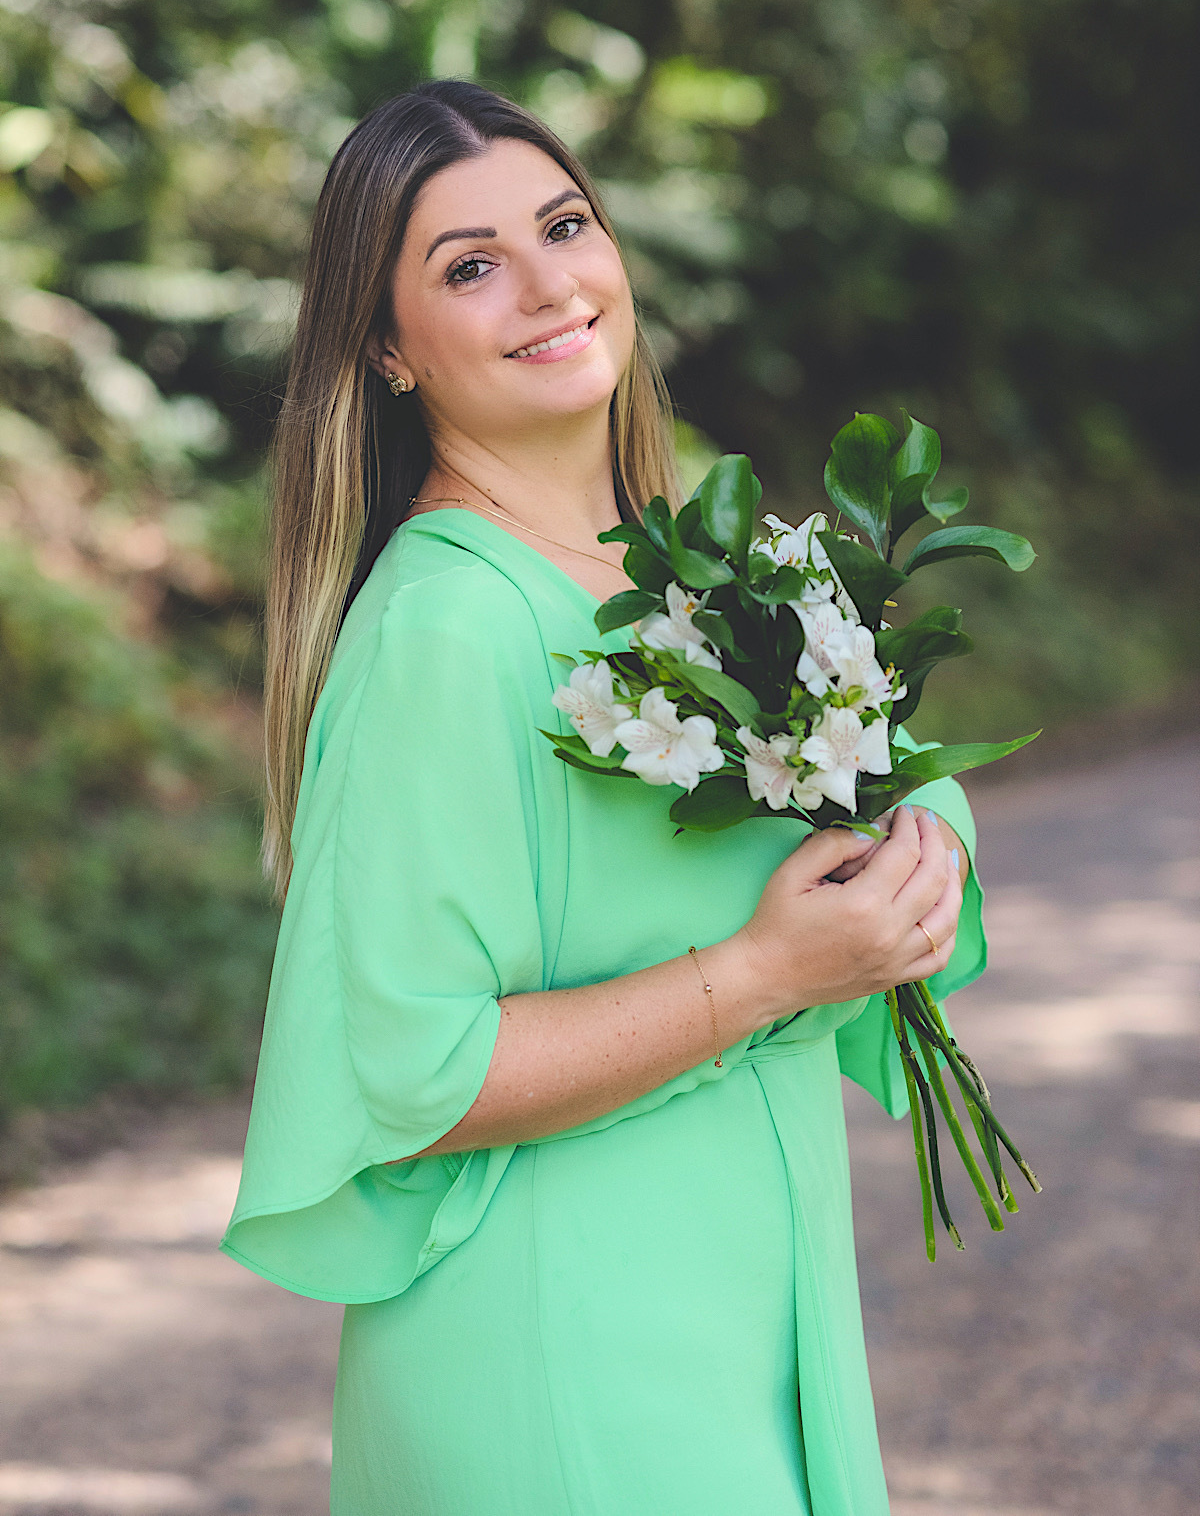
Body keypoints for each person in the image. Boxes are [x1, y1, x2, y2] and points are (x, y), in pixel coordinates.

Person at [221, 80, 984, 1516]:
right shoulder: (444, 628)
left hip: (745, 1291)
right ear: (387, 348)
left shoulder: (709, 575)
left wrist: (913, 861)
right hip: (560, 1339)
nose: (547, 282)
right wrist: (757, 972)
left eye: (563, 224)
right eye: (468, 264)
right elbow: (417, 1072)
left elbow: (823, 868)